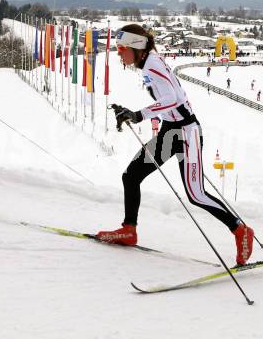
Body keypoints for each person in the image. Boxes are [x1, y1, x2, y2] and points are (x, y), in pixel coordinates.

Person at [96, 24, 254, 265]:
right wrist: (130, 112)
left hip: (186, 132)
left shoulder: (153, 63)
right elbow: (167, 99)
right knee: (131, 175)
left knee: (196, 195)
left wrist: (138, 115)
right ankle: (129, 230)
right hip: (171, 130)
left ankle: (241, 230)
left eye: (121, 48)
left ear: (136, 47)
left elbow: (171, 99)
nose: (119, 54)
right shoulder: (148, 63)